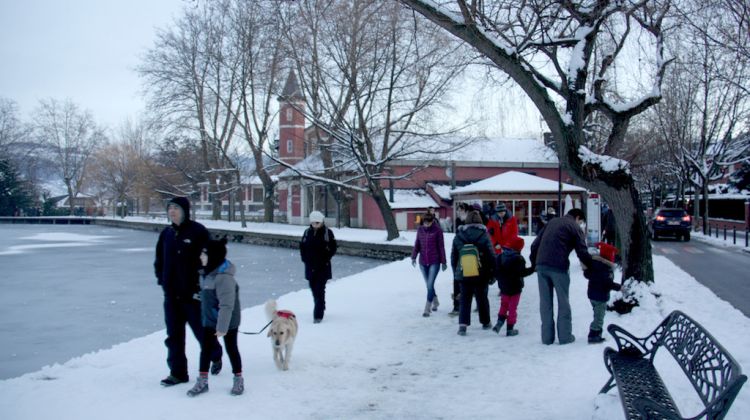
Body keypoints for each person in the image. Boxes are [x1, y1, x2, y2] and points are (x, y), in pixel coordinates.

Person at [154, 197, 223, 387]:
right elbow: (159, 260)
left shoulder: (198, 232)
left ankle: (216, 355)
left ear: (185, 211)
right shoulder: (166, 234)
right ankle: (178, 373)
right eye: (170, 208)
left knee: (202, 333)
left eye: (176, 208)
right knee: (174, 336)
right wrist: (162, 280)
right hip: (172, 296)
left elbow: (212, 259)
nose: (172, 211)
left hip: (194, 296)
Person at [187, 238, 244, 397]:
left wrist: (222, 328)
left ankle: (238, 378)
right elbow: (207, 295)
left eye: (204, 254)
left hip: (228, 321)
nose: (201, 257)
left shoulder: (224, 277)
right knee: (205, 349)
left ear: (213, 256)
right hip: (210, 319)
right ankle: (202, 381)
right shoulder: (206, 273)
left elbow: (226, 305)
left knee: (231, 349)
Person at [529, 208, 593, 345]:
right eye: (581, 221)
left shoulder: (551, 223)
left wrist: (535, 263)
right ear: (577, 217)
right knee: (563, 302)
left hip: (541, 266)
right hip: (558, 267)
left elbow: (535, 245)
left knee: (545, 303)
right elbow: (582, 250)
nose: (580, 224)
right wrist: (591, 267)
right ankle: (565, 337)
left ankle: (547, 338)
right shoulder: (574, 226)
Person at [451, 210, 495, 336]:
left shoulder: (459, 235)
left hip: (464, 272)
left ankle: (463, 326)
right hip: (481, 272)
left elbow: (454, 256)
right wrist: (493, 272)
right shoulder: (484, 235)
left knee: (465, 298)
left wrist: (456, 272)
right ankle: (485, 322)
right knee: (482, 298)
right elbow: (491, 255)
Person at [300, 211, 338, 323]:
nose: (315, 225)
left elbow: (333, 247)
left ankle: (318, 316)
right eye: (313, 223)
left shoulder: (327, 233)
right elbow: (302, 246)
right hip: (310, 266)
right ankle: (321, 305)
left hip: (322, 267)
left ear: (321, 222)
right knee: (313, 289)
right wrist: (304, 258)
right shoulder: (307, 232)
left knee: (320, 290)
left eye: (317, 222)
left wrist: (326, 257)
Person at [492, 236, 534, 336]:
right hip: (515, 288)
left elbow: (496, 272)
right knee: (512, 308)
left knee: (504, 305)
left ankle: (500, 321)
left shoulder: (500, 257)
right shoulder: (518, 259)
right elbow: (522, 273)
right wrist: (532, 269)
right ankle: (510, 328)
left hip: (503, 287)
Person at [583, 242, 621, 344]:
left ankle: (597, 333)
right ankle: (594, 335)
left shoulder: (596, 265)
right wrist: (619, 287)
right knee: (599, 317)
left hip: (593, 294)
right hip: (600, 296)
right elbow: (607, 283)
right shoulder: (604, 269)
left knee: (598, 314)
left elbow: (588, 274)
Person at [411, 212, 447, 317]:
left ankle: (427, 308)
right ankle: (436, 301)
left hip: (434, 261)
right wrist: (413, 256)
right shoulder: (420, 230)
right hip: (422, 262)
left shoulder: (438, 231)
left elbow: (441, 247)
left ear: (432, 221)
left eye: (429, 222)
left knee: (430, 284)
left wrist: (444, 262)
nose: (427, 224)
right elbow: (417, 244)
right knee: (428, 285)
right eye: (425, 222)